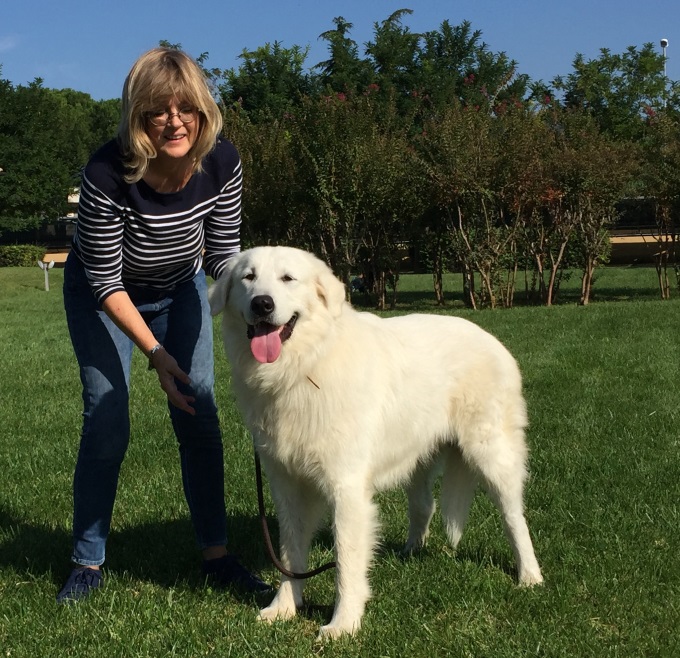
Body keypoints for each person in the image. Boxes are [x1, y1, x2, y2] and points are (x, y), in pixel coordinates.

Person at [57, 47, 270, 603]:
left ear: (202, 111)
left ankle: (217, 557)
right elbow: (105, 281)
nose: (175, 122)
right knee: (107, 420)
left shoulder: (222, 161)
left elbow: (222, 257)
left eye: (187, 108)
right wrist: (156, 354)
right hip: (104, 297)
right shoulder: (106, 173)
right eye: (158, 110)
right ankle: (87, 561)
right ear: (138, 116)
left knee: (200, 414)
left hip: (180, 286)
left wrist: (260, 307)